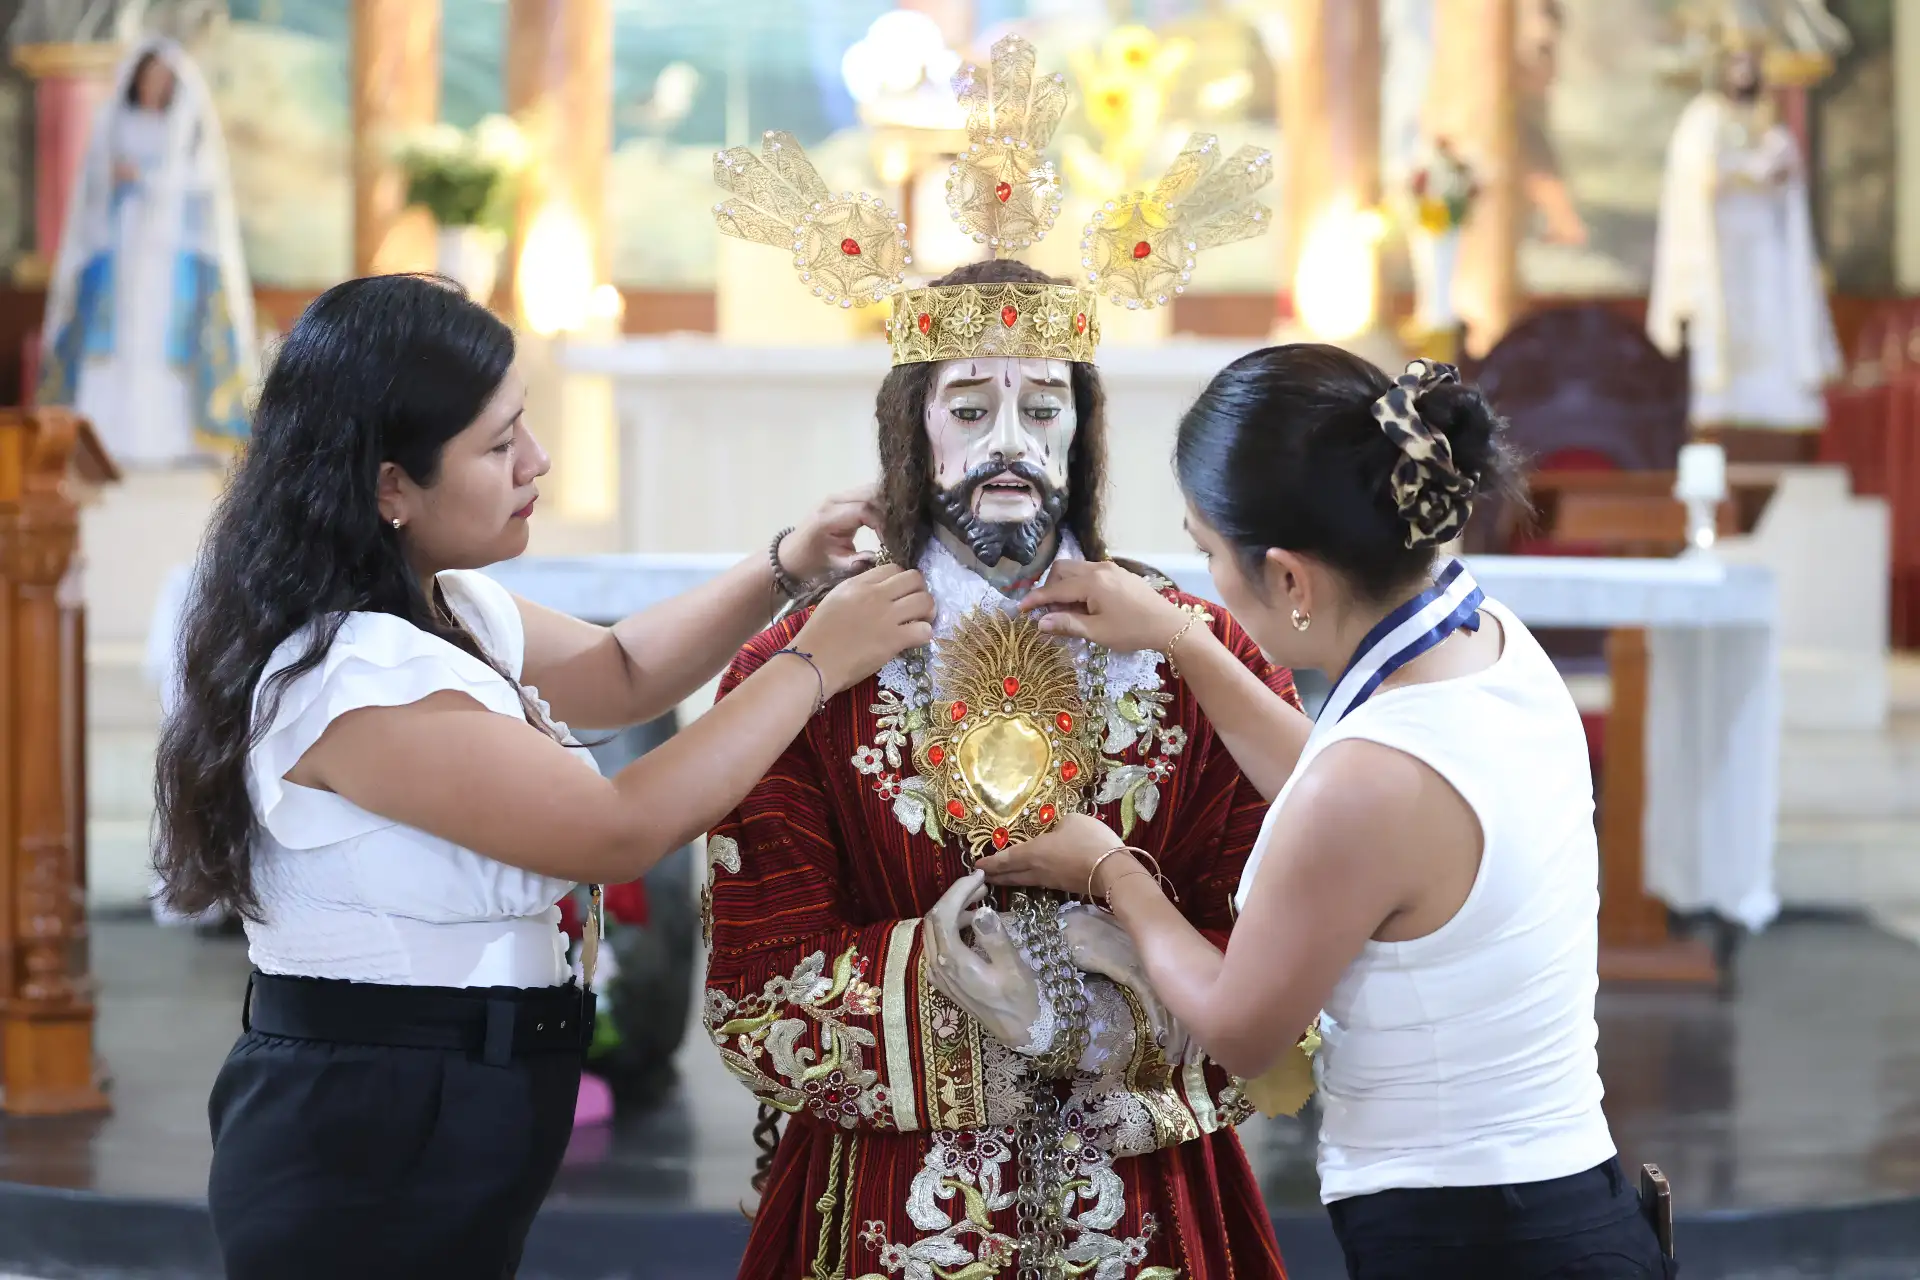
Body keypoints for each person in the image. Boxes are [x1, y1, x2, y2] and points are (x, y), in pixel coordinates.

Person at [151, 273, 934, 1280]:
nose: (538, 459)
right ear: (391, 485)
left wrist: (785, 565)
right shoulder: (354, 676)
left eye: (524, 424)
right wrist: (818, 663)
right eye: (496, 443)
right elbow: (611, 829)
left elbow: (622, 670)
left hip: (448, 1103)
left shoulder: (443, 607)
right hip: (368, 1130)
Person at [701, 35, 1298, 1279]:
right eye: (970, 407)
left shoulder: (1198, 650)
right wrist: (967, 992)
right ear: (911, 434)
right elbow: (756, 980)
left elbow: (1293, 916)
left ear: (1084, 434)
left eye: (1046, 407)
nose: (1010, 442)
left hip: (1148, 1200)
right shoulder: (805, 665)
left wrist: (1126, 986)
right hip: (880, 1209)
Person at [979, 348, 1675, 1278]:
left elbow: (1242, 1026)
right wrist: (1183, 634)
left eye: (1206, 553)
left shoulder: (1374, 782)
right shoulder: (1486, 637)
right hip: (1560, 1198)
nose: (1203, 576)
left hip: (1473, 1237)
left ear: (1292, 580)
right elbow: (1343, 801)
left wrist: (1112, 875)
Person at [39, 36, 256, 465]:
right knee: (113, 339)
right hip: (122, 246)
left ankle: (170, 439)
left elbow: (202, 186)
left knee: (166, 339)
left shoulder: (187, 130)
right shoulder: (115, 121)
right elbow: (93, 182)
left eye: (162, 78)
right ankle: (104, 438)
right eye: (147, 76)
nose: (154, 85)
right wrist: (116, 177)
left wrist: (149, 179)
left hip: (169, 253)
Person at [1646, 24, 1842, 463]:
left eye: (1752, 63)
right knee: (1721, 332)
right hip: (1719, 251)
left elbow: (1785, 173)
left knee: (1771, 316)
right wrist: (1743, 173)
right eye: (1736, 63)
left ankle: (1776, 421)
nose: (1744, 72)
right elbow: (1697, 175)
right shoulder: (1704, 117)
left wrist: (1770, 169)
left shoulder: (1768, 120)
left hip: (1764, 248)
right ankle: (1720, 414)